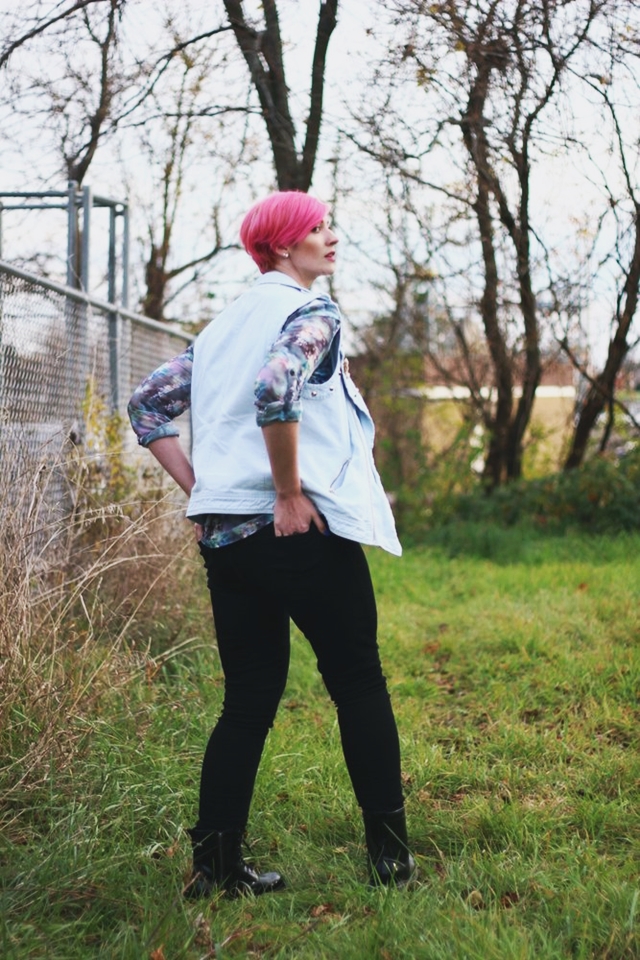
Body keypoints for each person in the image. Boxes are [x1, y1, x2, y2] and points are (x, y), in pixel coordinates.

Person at [127, 191, 415, 899]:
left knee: (248, 698)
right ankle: (390, 858)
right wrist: (287, 494)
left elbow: (146, 404)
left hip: (226, 537)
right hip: (296, 532)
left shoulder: (223, 325)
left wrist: (204, 491)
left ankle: (217, 870)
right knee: (357, 682)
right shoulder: (309, 311)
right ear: (284, 246)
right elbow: (277, 385)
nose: (331, 236)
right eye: (318, 228)